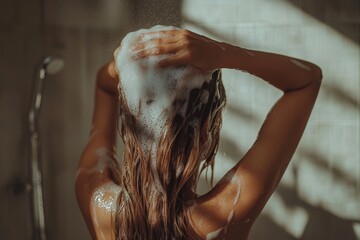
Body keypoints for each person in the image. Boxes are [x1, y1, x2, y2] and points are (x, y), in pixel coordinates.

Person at [75, 26, 322, 240]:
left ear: (130, 126)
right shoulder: (225, 215)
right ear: (204, 133)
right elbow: (307, 80)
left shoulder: (95, 199)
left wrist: (127, 63)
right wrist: (223, 52)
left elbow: (103, 85)